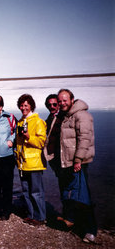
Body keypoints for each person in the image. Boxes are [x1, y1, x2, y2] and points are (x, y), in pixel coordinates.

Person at [57, 89, 97, 243]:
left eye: (64, 100)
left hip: (78, 163)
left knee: (83, 197)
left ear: (72, 100)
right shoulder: (67, 116)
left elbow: (85, 139)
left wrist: (78, 159)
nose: (62, 103)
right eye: (60, 101)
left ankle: (90, 230)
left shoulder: (82, 115)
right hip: (70, 162)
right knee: (73, 194)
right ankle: (74, 221)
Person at [15, 94, 47, 226]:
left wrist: (28, 137)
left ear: (31, 106)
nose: (23, 108)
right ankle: (31, 214)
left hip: (34, 163)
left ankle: (40, 217)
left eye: (26, 105)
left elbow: (41, 142)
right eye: (21, 106)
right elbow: (18, 142)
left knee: (36, 192)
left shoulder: (38, 121)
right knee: (26, 191)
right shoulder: (20, 122)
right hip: (22, 163)